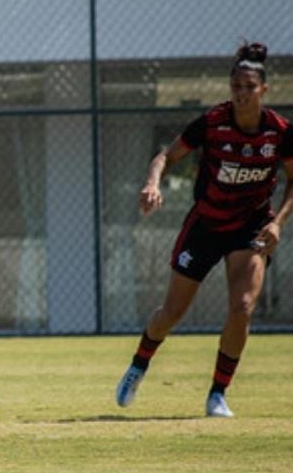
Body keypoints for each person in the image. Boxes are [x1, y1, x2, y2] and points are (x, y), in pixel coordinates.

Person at [115, 41, 293, 417]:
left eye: (249, 87)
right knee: (173, 312)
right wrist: (152, 183)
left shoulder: (279, 132)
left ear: (264, 90)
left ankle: (217, 394)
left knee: (242, 307)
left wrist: (278, 223)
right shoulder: (213, 123)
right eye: (236, 86)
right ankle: (138, 365)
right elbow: (165, 155)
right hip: (206, 225)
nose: (242, 93)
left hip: (252, 227)